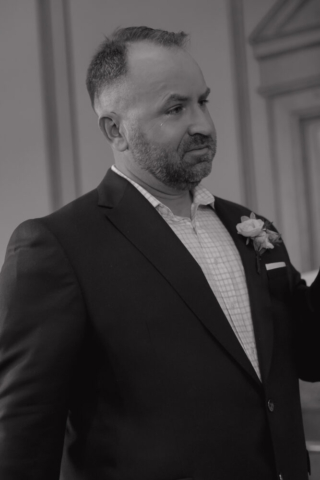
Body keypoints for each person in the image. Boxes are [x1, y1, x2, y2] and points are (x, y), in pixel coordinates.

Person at [0, 26, 319, 480]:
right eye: (175, 108)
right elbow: (24, 436)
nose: (203, 125)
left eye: (203, 102)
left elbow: (310, 357)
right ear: (116, 129)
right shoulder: (57, 248)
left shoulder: (251, 226)